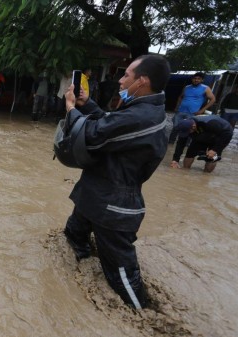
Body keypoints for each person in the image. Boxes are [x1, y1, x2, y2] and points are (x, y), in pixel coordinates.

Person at [62, 54, 171, 309]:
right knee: (73, 236)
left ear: (142, 81)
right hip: (95, 194)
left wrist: (71, 109)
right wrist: (87, 105)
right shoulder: (142, 110)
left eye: (126, 75)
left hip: (112, 206)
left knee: (123, 278)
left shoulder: (142, 116)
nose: (120, 80)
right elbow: (110, 125)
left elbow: (91, 135)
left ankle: (145, 317)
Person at [168, 72, 216, 144]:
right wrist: (177, 107)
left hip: (193, 113)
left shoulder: (205, 88)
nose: (196, 80)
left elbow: (213, 99)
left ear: (202, 80)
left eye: (198, 79)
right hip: (180, 111)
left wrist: (202, 110)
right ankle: (171, 142)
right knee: (176, 127)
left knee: (190, 129)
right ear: (192, 79)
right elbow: (180, 97)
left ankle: (185, 145)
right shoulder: (187, 87)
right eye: (194, 78)